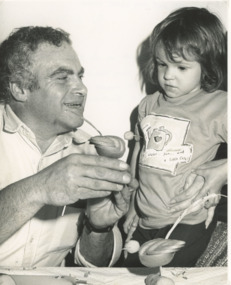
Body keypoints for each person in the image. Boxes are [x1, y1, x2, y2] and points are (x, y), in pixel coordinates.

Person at [0, 26, 138, 267]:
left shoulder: (88, 152)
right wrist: (40, 187)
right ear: (20, 89)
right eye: (62, 77)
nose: (81, 89)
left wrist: (98, 227)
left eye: (80, 76)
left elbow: (94, 265)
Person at [123, 7, 227, 267]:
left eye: (181, 67)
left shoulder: (220, 105)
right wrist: (132, 205)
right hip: (144, 218)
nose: (168, 75)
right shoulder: (147, 104)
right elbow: (140, 152)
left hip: (187, 220)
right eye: (162, 64)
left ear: (207, 66)